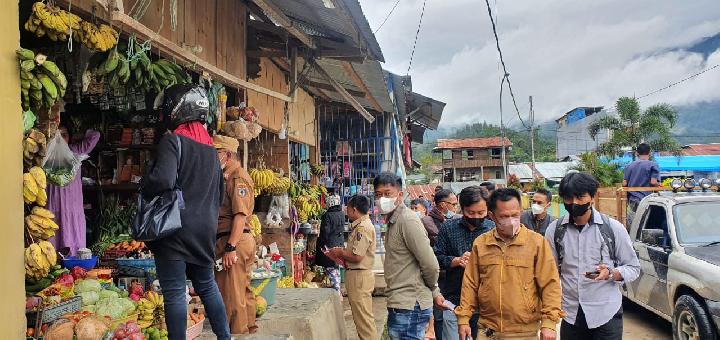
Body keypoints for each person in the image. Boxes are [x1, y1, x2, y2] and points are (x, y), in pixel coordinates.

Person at [141, 84, 231, 339]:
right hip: (204, 230)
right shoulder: (211, 151)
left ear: (178, 109)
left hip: (175, 228)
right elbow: (220, 194)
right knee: (208, 286)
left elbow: (163, 181)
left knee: (174, 292)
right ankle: (225, 337)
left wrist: (145, 180)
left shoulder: (173, 140)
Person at [457, 188, 564, 340]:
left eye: (515, 215)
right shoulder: (481, 244)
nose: (511, 220)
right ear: (492, 216)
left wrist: (549, 323)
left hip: (523, 332)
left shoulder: (536, 243)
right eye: (504, 216)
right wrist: (463, 319)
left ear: (521, 211)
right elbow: (470, 284)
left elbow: (550, 284)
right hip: (488, 331)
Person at [545, 173, 640, 340]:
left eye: (580, 197)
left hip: (605, 313)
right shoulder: (555, 230)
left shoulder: (613, 229)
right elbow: (549, 274)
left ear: (592, 197)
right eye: (568, 198)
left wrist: (610, 273)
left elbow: (633, 267)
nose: (574, 203)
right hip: (570, 313)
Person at [374, 172, 447, 340]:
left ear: (400, 195)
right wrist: (434, 291)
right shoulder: (393, 220)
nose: (382, 199)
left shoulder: (407, 221)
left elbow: (430, 264)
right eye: (378, 195)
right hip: (402, 303)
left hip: (409, 305)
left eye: (387, 193)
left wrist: (432, 288)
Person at [434, 186, 494, 340]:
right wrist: (456, 261)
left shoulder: (493, 230)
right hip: (455, 300)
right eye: (471, 213)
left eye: (481, 213)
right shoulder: (448, 228)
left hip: (486, 305)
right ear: (462, 209)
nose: (476, 217)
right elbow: (436, 257)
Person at [213, 135, 258, 334]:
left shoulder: (237, 177)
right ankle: (249, 329)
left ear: (228, 155)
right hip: (238, 240)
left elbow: (240, 216)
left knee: (232, 296)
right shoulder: (228, 177)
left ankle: (238, 333)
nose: (213, 157)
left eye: (216, 153)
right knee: (242, 291)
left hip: (234, 240)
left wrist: (230, 247)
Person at [327, 195, 376, 340]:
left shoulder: (363, 227)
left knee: (364, 321)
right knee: (362, 318)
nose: (346, 212)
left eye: (347, 208)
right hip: (356, 274)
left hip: (359, 277)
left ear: (354, 209)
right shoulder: (361, 225)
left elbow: (357, 256)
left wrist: (340, 252)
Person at [46, 126, 100, 255]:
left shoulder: (75, 151)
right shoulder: (45, 153)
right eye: (56, 135)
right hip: (51, 206)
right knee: (51, 242)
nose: (59, 138)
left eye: (64, 135)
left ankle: (74, 267)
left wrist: (76, 135)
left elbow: (95, 135)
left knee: (72, 239)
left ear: (69, 138)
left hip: (72, 207)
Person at [421, 189, 458, 340]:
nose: (456, 207)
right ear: (443, 205)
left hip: (453, 273)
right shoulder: (426, 222)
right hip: (437, 275)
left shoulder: (454, 220)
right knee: (438, 315)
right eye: (453, 204)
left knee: (450, 313)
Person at [314, 193, 345, 296]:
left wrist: (321, 243)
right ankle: (337, 287)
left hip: (330, 244)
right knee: (336, 266)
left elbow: (325, 232)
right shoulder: (341, 213)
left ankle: (336, 290)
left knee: (330, 266)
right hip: (339, 243)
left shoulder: (327, 215)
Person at [623, 143, 660, 226]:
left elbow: (624, 183)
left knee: (635, 224)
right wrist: (659, 185)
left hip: (632, 200)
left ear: (637, 153)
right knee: (647, 224)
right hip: (647, 200)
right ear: (649, 153)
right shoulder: (653, 165)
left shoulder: (629, 165)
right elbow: (653, 182)